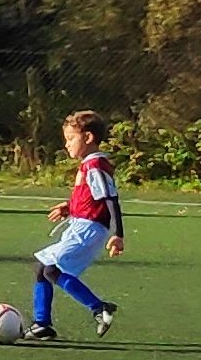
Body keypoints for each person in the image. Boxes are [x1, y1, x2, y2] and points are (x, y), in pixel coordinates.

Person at [22, 109, 125, 343]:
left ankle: (99, 307)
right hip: (81, 225)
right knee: (42, 267)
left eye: (70, 138)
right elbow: (92, 197)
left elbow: (110, 199)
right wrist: (69, 207)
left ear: (88, 137)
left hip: (89, 229)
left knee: (51, 270)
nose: (66, 144)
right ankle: (42, 324)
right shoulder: (88, 164)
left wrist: (118, 234)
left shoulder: (95, 165)